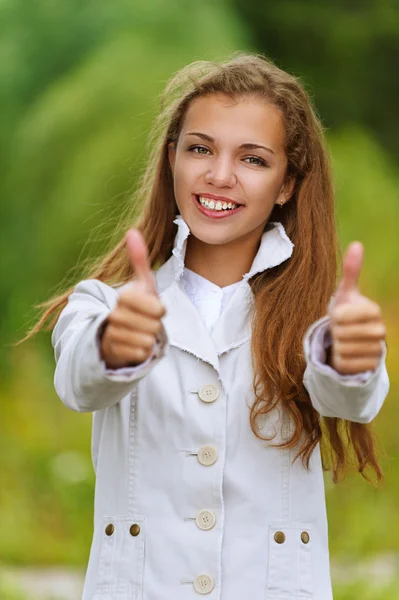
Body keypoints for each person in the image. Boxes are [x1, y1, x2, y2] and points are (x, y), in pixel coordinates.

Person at [29, 53, 389, 599]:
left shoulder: (317, 323)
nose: (219, 175)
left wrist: (349, 359)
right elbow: (81, 381)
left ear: (287, 183)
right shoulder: (103, 305)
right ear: (172, 158)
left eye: (253, 159)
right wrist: (116, 347)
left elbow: (349, 398)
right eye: (200, 149)